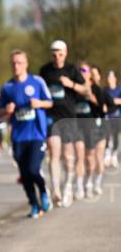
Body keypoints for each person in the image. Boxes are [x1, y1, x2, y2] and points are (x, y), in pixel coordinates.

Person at [0, 50, 53, 218]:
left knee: (34, 169)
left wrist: (39, 103)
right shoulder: (7, 87)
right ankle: (33, 205)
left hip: (36, 134)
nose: (16, 66)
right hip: (18, 137)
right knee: (25, 174)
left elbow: (50, 102)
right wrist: (6, 110)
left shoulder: (37, 82)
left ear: (26, 64)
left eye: (19, 62)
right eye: (13, 63)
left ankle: (43, 192)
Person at [38, 40, 88, 207]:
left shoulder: (72, 70)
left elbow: (85, 89)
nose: (57, 57)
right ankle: (56, 190)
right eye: (54, 53)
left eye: (60, 53)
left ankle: (68, 187)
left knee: (68, 156)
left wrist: (71, 84)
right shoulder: (45, 71)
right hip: (51, 116)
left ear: (65, 53)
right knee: (53, 153)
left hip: (68, 116)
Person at [77, 64, 108, 197]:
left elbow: (103, 109)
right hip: (77, 126)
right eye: (80, 71)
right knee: (79, 157)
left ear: (89, 73)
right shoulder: (74, 89)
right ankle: (80, 186)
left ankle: (92, 182)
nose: (82, 73)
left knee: (93, 158)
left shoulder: (97, 89)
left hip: (96, 126)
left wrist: (90, 96)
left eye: (85, 70)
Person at [106, 70, 121, 169]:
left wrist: (112, 101)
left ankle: (114, 155)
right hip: (107, 117)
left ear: (115, 79)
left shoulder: (119, 89)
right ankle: (107, 155)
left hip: (118, 117)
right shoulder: (105, 90)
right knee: (107, 135)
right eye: (109, 77)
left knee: (115, 136)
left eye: (112, 77)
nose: (110, 79)